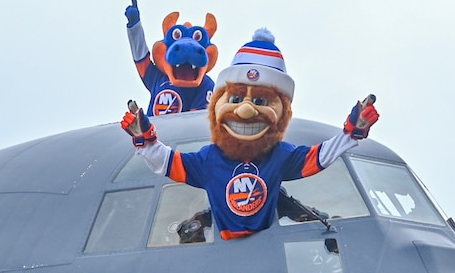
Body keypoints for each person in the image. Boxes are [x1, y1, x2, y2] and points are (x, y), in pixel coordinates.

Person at [123, 27, 379, 238]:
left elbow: (316, 158)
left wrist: (350, 134)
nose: (245, 111)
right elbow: (169, 162)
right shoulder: (210, 159)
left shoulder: (279, 156)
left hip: (261, 244)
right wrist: (144, 140)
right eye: (235, 98)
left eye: (260, 102)